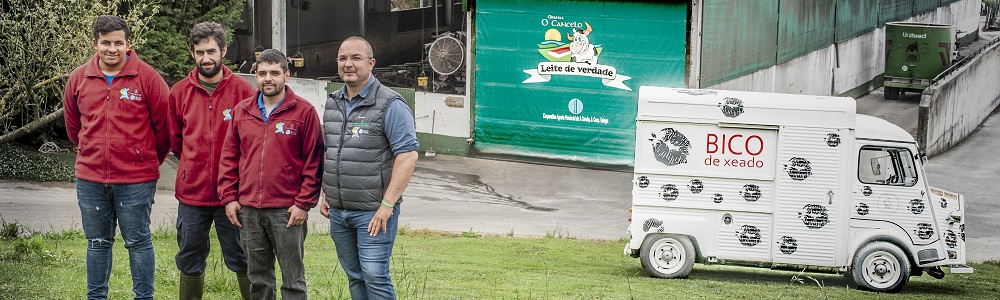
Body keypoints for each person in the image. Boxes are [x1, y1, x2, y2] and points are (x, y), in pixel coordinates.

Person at [63, 14, 170, 300]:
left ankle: (143, 297)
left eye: (118, 43)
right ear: (95, 43)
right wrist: (91, 150)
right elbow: (74, 127)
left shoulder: (148, 78)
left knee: (138, 242)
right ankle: (96, 297)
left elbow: (164, 129)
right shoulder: (78, 79)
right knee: (97, 242)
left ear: (128, 44)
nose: (112, 49)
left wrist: (142, 159)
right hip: (90, 178)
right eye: (106, 43)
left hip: (136, 179)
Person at [218, 49, 323, 300]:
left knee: (293, 279)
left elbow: (314, 162)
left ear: (287, 75)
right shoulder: (242, 111)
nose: (268, 78)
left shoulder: (304, 112)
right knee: (258, 279)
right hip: (249, 210)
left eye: (275, 73)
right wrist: (229, 198)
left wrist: (303, 204)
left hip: (287, 212)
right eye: (262, 73)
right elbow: (229, 157)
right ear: (255, 75)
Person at [319, 36, 419, 300]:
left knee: (375, 275)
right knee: (355, 276)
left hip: (373, 213)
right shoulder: (333, 102)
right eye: (343, 58)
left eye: (356, 58)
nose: (348, 64)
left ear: (371, 63)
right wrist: (326, 193)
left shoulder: (390, 104)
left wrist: (387, 206)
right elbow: (330, 151)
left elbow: (407, 156)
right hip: (340, 212)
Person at [167, 22, 256, 299]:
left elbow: (251, 142)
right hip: (192, 194)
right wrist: (194, 166)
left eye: (211, 51)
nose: (206, 58)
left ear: (223, 51)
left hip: (233, 195)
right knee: (190, 257)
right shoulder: (179, 92)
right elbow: (175, 141)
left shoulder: (243, 91)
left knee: (243, 256)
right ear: (192, 54)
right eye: (199, 52)